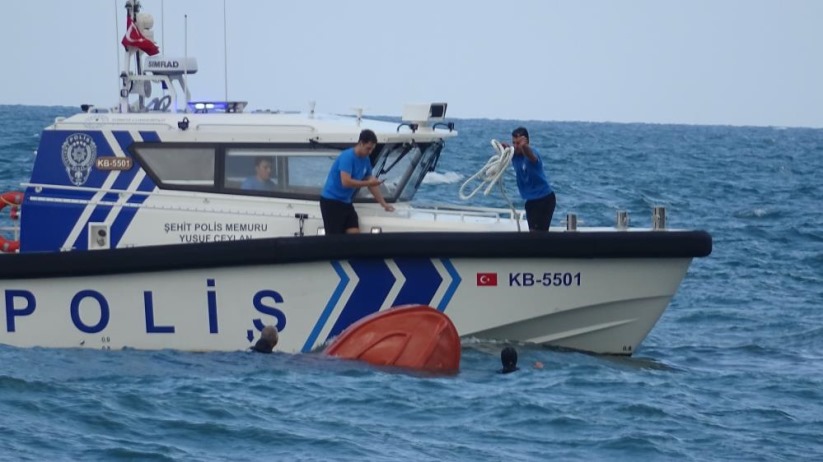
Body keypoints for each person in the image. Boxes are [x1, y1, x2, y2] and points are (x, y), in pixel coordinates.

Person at [320, 129, 394, 234]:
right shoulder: (348, 157)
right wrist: (369, 183)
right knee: (334, 239)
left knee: (354, 232)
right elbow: (346, 182)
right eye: (368, 148)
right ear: (361, 143)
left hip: (346, 202)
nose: (370, 152)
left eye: (372, 149)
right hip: (331, 201)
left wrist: (383, 203)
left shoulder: (366, 159)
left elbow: (370, 182)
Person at [505, 127, 556, 231]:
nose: (515, 146)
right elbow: (506, 152)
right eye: (513, 142)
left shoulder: (532, 153)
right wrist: (503, 148)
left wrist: (524, 147)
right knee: (533, 233)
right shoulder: (514, 155)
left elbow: (531, 156)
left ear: (525, 141)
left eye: (518, 143)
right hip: (531, 201)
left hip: (545, 199)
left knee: (538, 234)